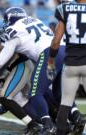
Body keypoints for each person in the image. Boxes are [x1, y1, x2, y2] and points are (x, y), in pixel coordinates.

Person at [0, 7, 86, 134]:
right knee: (58, 94)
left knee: (35, 93)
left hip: (48, 54)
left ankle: (49, 125)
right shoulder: (35, 20)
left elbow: (3, 57)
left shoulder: (14, 30)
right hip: (64, 51)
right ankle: (77, 118)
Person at [47, 0, 86, 134]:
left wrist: (51, 61)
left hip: (71, 64)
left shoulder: (64, 8)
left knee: (65, 102)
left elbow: (56, 41)